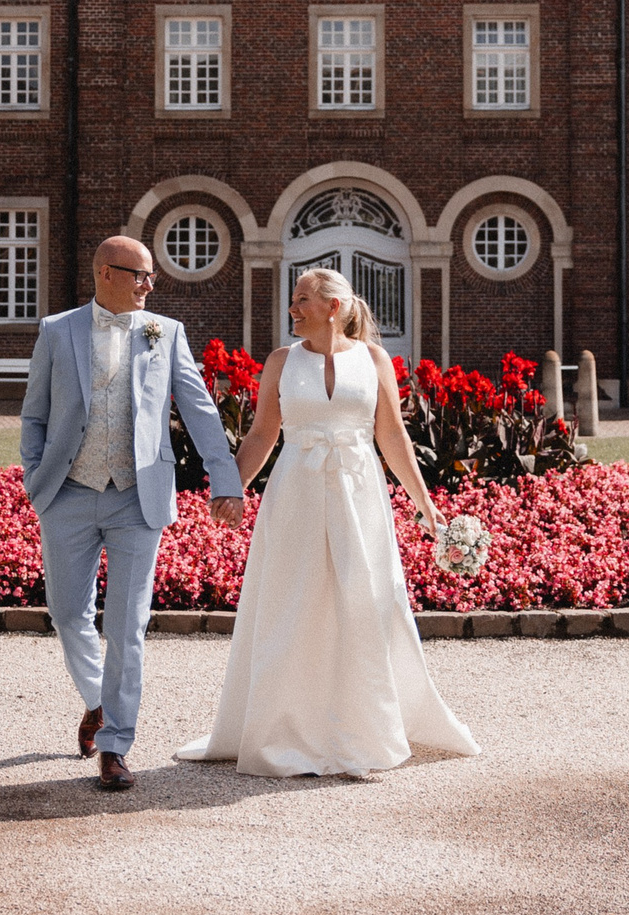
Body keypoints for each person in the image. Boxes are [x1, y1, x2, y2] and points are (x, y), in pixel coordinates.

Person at [175, 268, 479, 777]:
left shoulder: (375, 359)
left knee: (363, 602)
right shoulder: (281, 362)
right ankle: (283, 732)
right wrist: (232, 488)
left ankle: (361, 731)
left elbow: (394, 440)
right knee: (293, 603)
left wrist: (427, 508)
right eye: (294, 300)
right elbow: (262, 435)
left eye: (302, 300)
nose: (292, 309)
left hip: (360, 496)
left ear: (333, 306)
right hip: (296, 493)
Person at [20, 235, 245, 791]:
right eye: (139, 275)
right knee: (68, 613)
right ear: (105, 273)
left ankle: (116, 745)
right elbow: (35, 414)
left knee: (127, 625)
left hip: (137, 497)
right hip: (67, 494)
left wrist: (227, 478)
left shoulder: (165, 334)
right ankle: (99, 701)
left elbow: (199, 410)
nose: (149, 286)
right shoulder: (57, 330)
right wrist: (35, 477)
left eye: (150, 277)